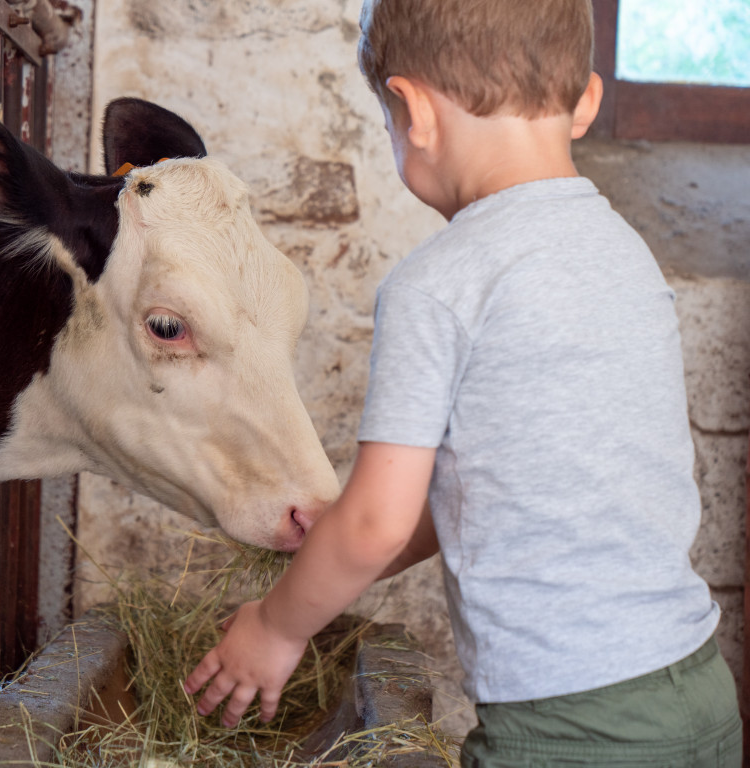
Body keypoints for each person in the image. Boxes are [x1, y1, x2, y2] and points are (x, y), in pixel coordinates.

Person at [183, 0, 743, 764]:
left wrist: (276, 627)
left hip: (568, 730)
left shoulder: (439, 285)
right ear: (586, 101)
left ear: (413, 113)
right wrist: (333, 549)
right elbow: (480, 495)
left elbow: (376, 522)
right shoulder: (625, 254)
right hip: (699, 693)